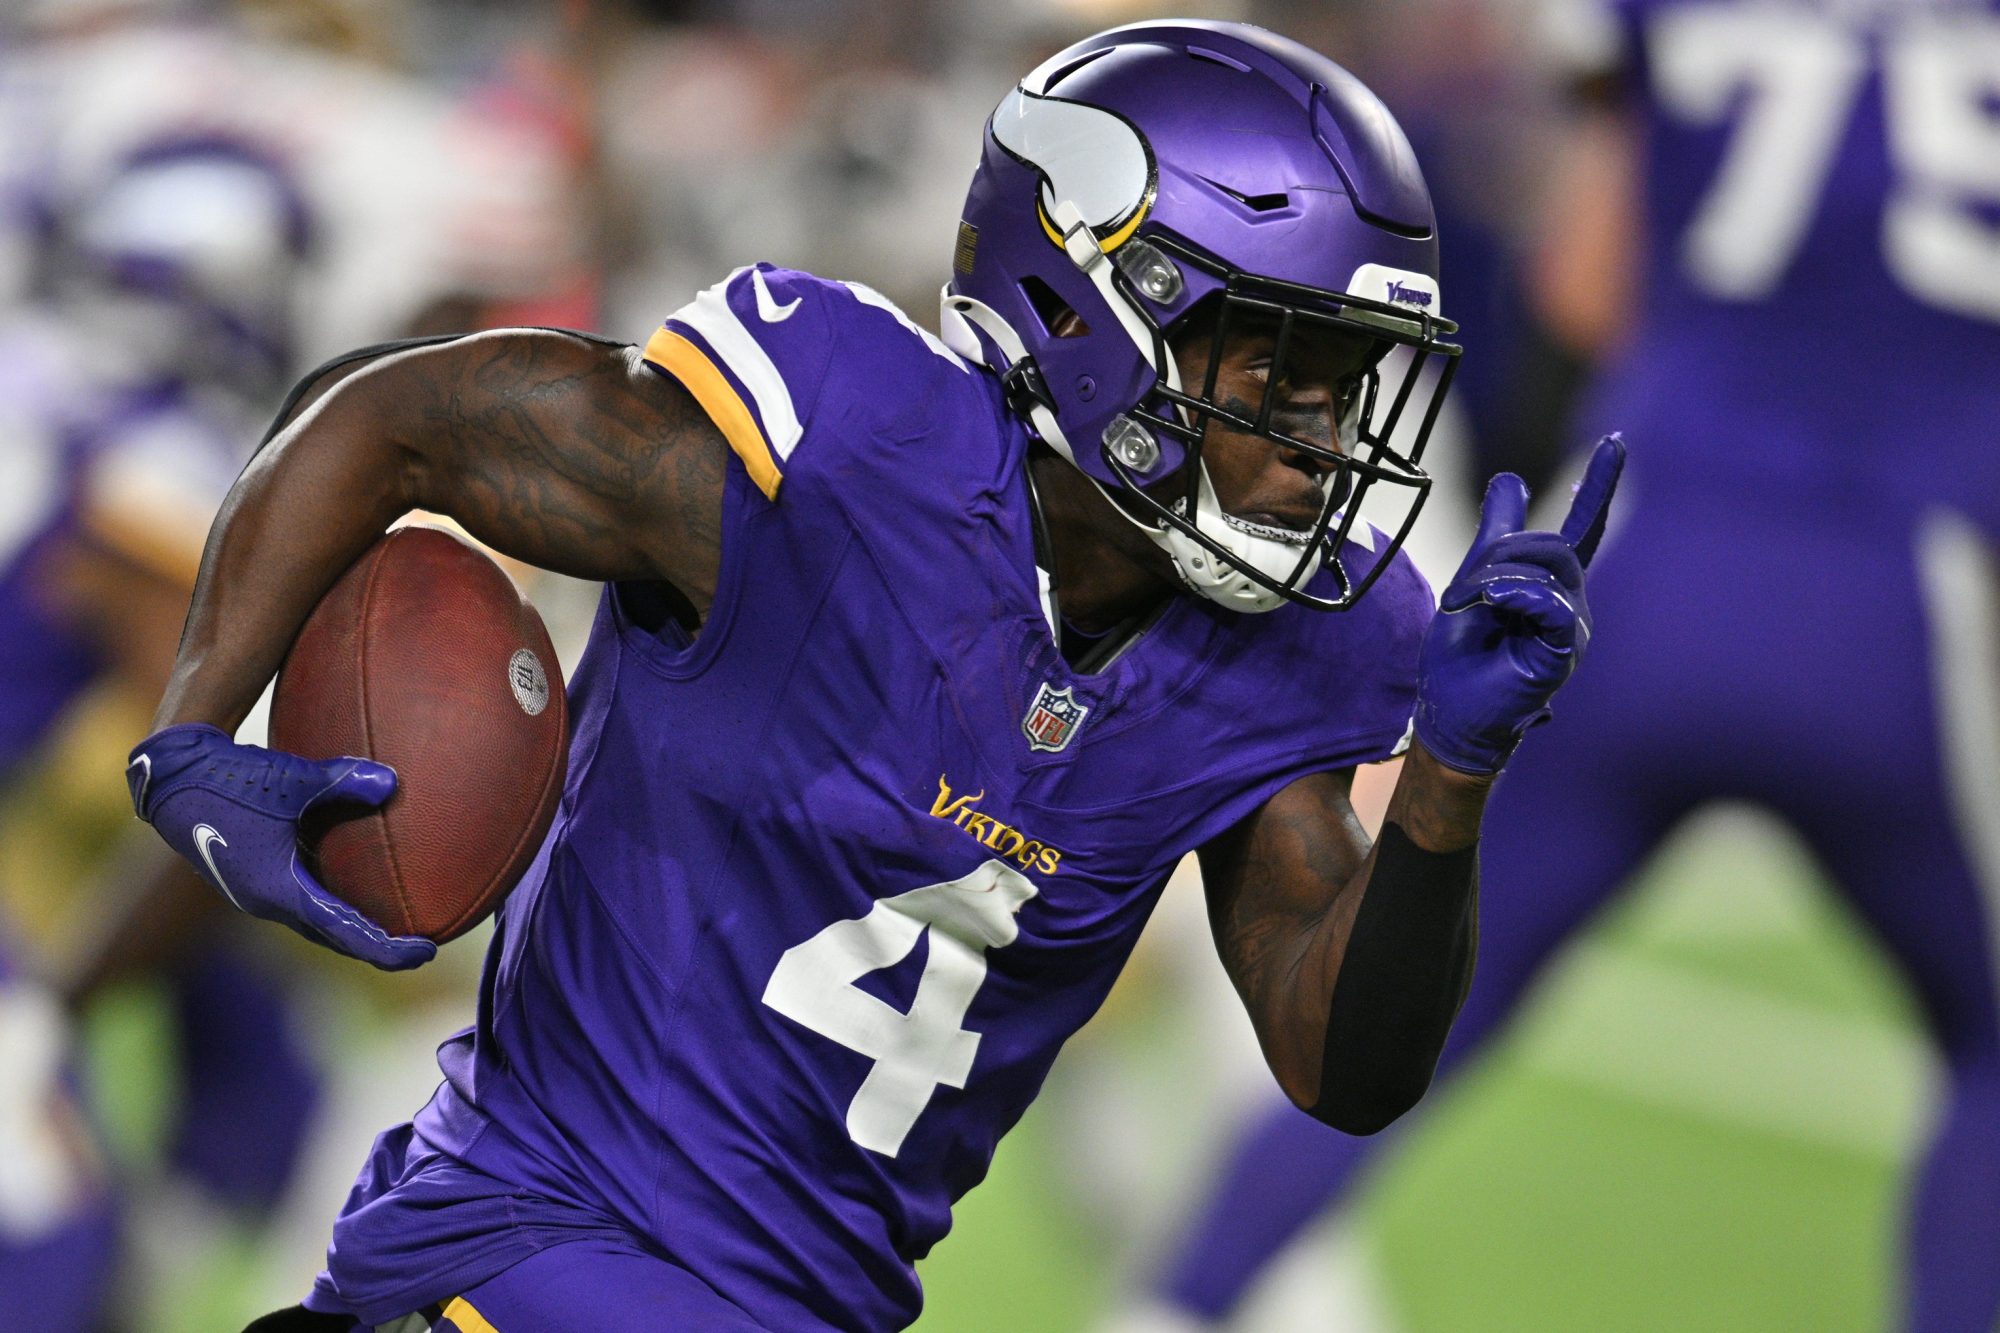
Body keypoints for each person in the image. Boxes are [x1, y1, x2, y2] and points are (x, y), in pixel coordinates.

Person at [123, 20, 1621, 1332]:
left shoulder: (1299, 638)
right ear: (1106, 320)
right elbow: (398, 413)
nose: (1320, 437)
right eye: (1279, 366)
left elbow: (1338, 1061)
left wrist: (1447, 777)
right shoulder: (839, 446)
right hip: (531, 1244)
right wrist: (195, 724)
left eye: (1346, 379)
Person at [1135, 1, 2000, 1329]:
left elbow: (1583, 275)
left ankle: (1172, 1309)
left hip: (1645, 562)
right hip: (1901, 604)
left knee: (1401, 991)